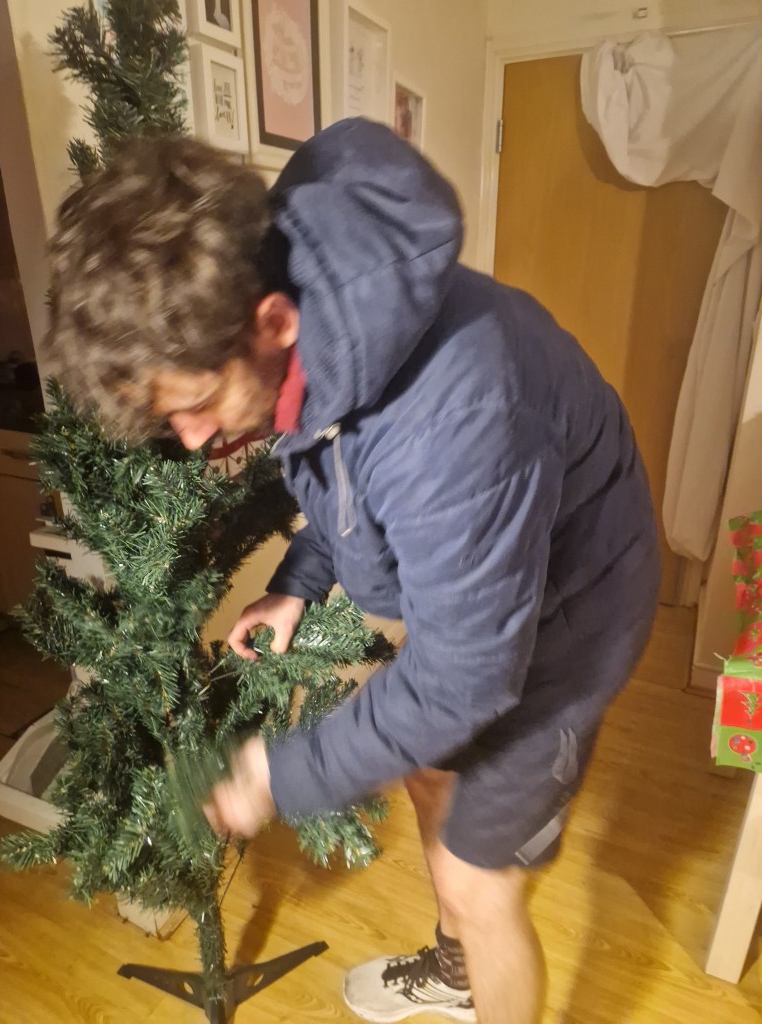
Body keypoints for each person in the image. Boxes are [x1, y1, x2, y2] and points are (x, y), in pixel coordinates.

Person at [45, 118, 660, 1024]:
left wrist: (274, 776)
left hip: (574, 613)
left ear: (272, 322)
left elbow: (465, 677)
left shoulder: (455, 418)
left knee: (480, 881)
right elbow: (344, 475)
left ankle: (476, 954)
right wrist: (297, 583)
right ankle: (456, 971)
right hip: (496, 585)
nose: (195, 438)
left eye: (197, 405)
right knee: (430, 772)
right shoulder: (313, 329)